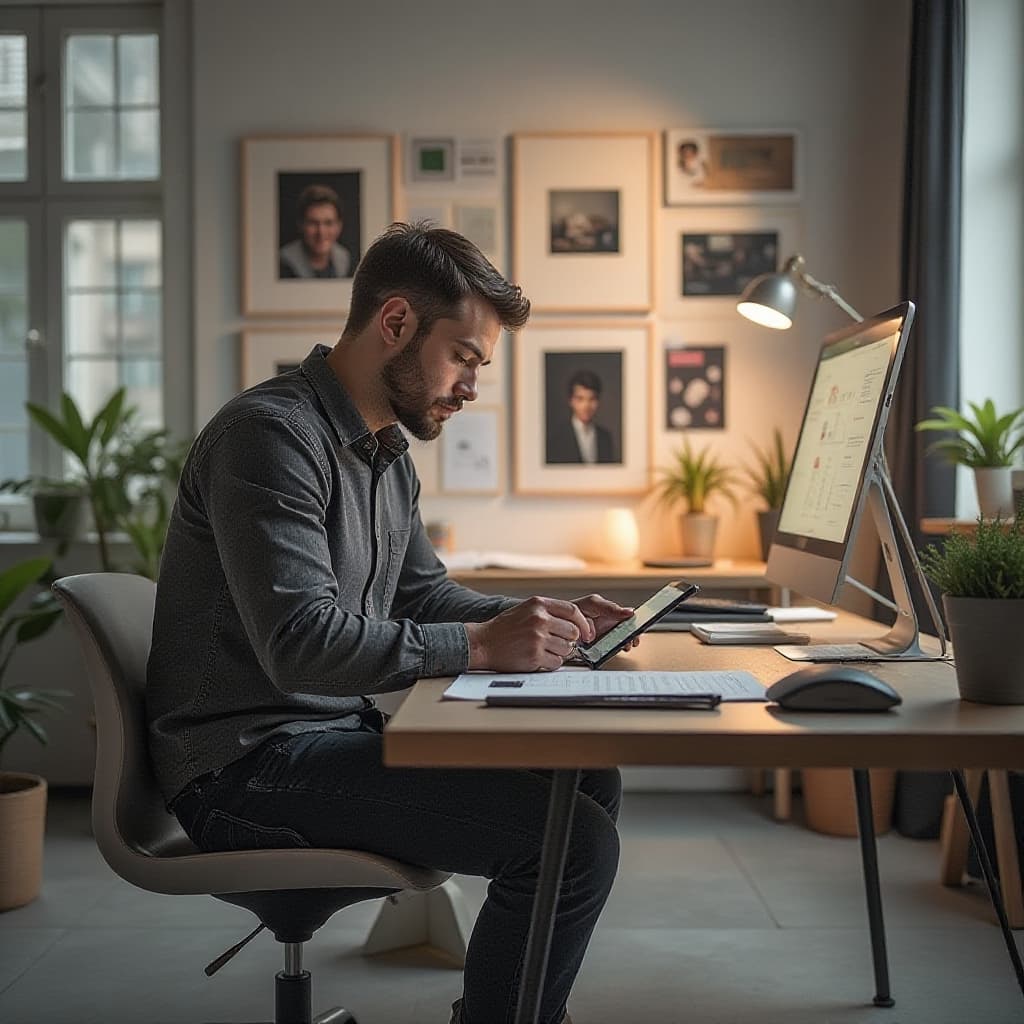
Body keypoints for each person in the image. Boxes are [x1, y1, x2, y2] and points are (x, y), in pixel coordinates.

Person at [147, 222, 634, 1024]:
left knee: (585, 776)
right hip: (240, 769)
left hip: (320, 742)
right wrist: (483, 644)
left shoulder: (381, 452)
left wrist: (544, 619)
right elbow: (300, 644)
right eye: (466, 357)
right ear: (398, 323)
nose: (473, 386)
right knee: (571, 844)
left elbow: (424, 596)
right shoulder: (268, 438)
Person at [278, 183, 353, 279]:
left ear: (339, 226)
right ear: (300, 225)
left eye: (328, 223)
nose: (321, 232)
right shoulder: (283, 262)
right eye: (313, 223)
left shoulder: (345, 258)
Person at [546, 368, 617, 464]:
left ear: (598, 401)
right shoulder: (556, 439)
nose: (586, 406)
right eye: (580, 399)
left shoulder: (605, 438)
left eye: (592, 399)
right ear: (571, 401)